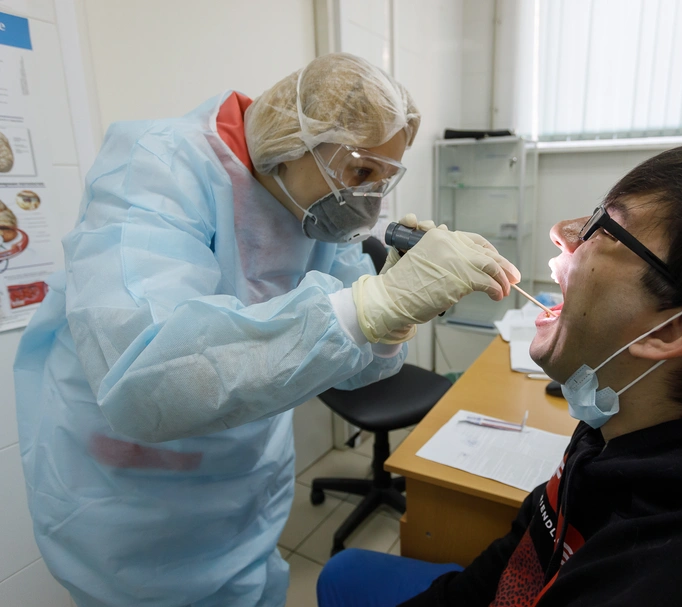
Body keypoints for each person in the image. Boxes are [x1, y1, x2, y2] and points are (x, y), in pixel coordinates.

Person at [14, 53, 519, 607]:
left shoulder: (318, 214)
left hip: (246, 482)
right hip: (134, 496)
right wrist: (372, 304)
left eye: (384, 178)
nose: (371, 201)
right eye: (361, 172)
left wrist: (392, 312)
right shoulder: (157, 170)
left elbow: (352, 368)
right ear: (297, 143)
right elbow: (144, 376)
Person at [316, 143, 682, 606]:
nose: (563, 231)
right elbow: (525, 554)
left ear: (670, 331)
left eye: (605, 227)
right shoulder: (622, 415)